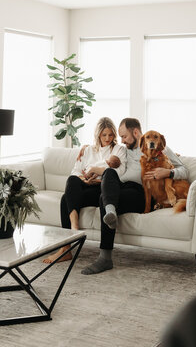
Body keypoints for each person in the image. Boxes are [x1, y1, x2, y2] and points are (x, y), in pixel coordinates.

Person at [80, 117, 188, 275]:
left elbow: (184, 170)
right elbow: (106, 152)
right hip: (120, 188)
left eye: (124, 136)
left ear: (136, 132)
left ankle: (105, 258)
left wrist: (168, 172)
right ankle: (111, 211)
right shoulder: (124, 149)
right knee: (109, 176)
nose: (122, 140)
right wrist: (84, 148)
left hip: (141, 192)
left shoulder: (159, 147)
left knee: (103, 199)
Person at [42, 117, 126, 264]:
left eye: (110, 135)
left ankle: (67, 244)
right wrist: (84, 179)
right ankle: (73, 233)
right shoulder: (88, 150)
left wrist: (97, 173)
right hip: (86, 185)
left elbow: (119, 173)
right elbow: (75, 171)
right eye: (104, 135)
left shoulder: (119, 149)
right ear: (98, 135)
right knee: (72, 182)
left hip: (103, 190)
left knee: (65, 200)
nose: (107, 138)